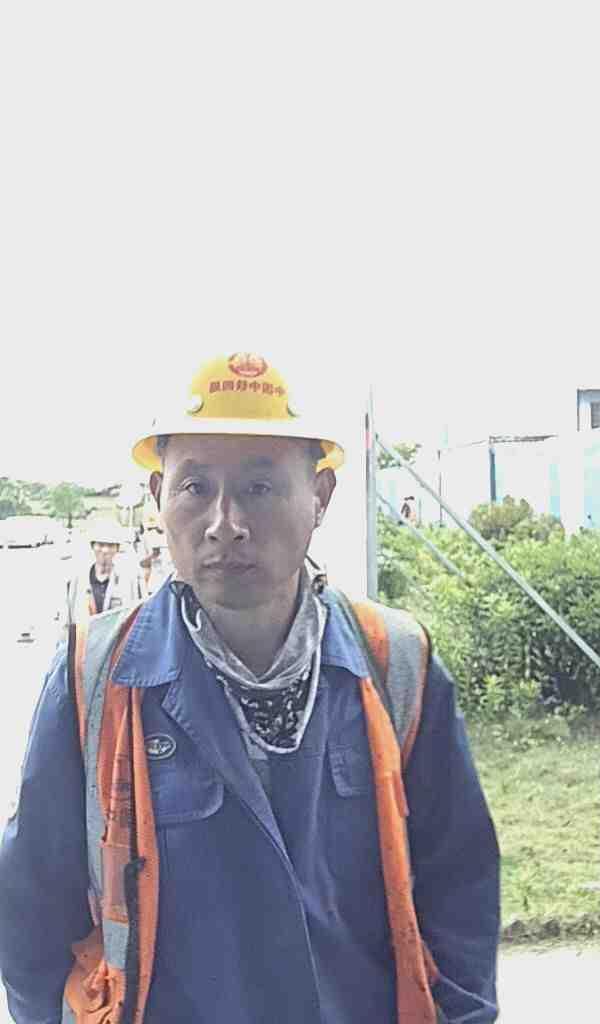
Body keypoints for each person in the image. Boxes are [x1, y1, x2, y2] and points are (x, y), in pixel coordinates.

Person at [0, 352, 500, 1023]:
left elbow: (459, 889)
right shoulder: (95, 674)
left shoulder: (395, 664)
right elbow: (31, 914)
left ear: (320, 496)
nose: (225, 523)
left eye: (259, 488)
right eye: (195, 487)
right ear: (158, 497)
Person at [59, 519, 141, 633]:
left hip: (115, 641)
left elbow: (136, 616)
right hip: (84, 641)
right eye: (101, 545)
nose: (105, 550)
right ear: (93, 546)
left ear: (117, 548)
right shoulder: (77, 579)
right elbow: (67, 617)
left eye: (110, 545)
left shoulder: (128, 580)